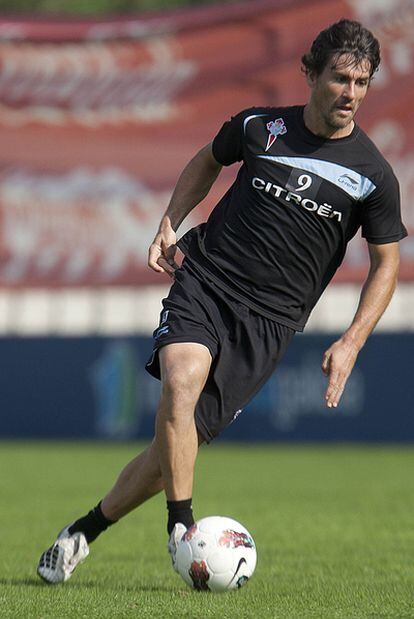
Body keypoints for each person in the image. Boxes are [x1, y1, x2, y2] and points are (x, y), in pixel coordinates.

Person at [37, 18, 406, 584]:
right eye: (339, 78)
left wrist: (353, 341)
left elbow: (386, 262)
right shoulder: (260, 128)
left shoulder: (373, 176)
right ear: (310, 74)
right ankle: (181, 532)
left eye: (362, 82)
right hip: (207, 278)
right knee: (180, 381)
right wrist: (168, 222)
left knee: (171, 453)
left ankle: (84, 530)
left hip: (269, 323)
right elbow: (207, 161)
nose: (351, 94)